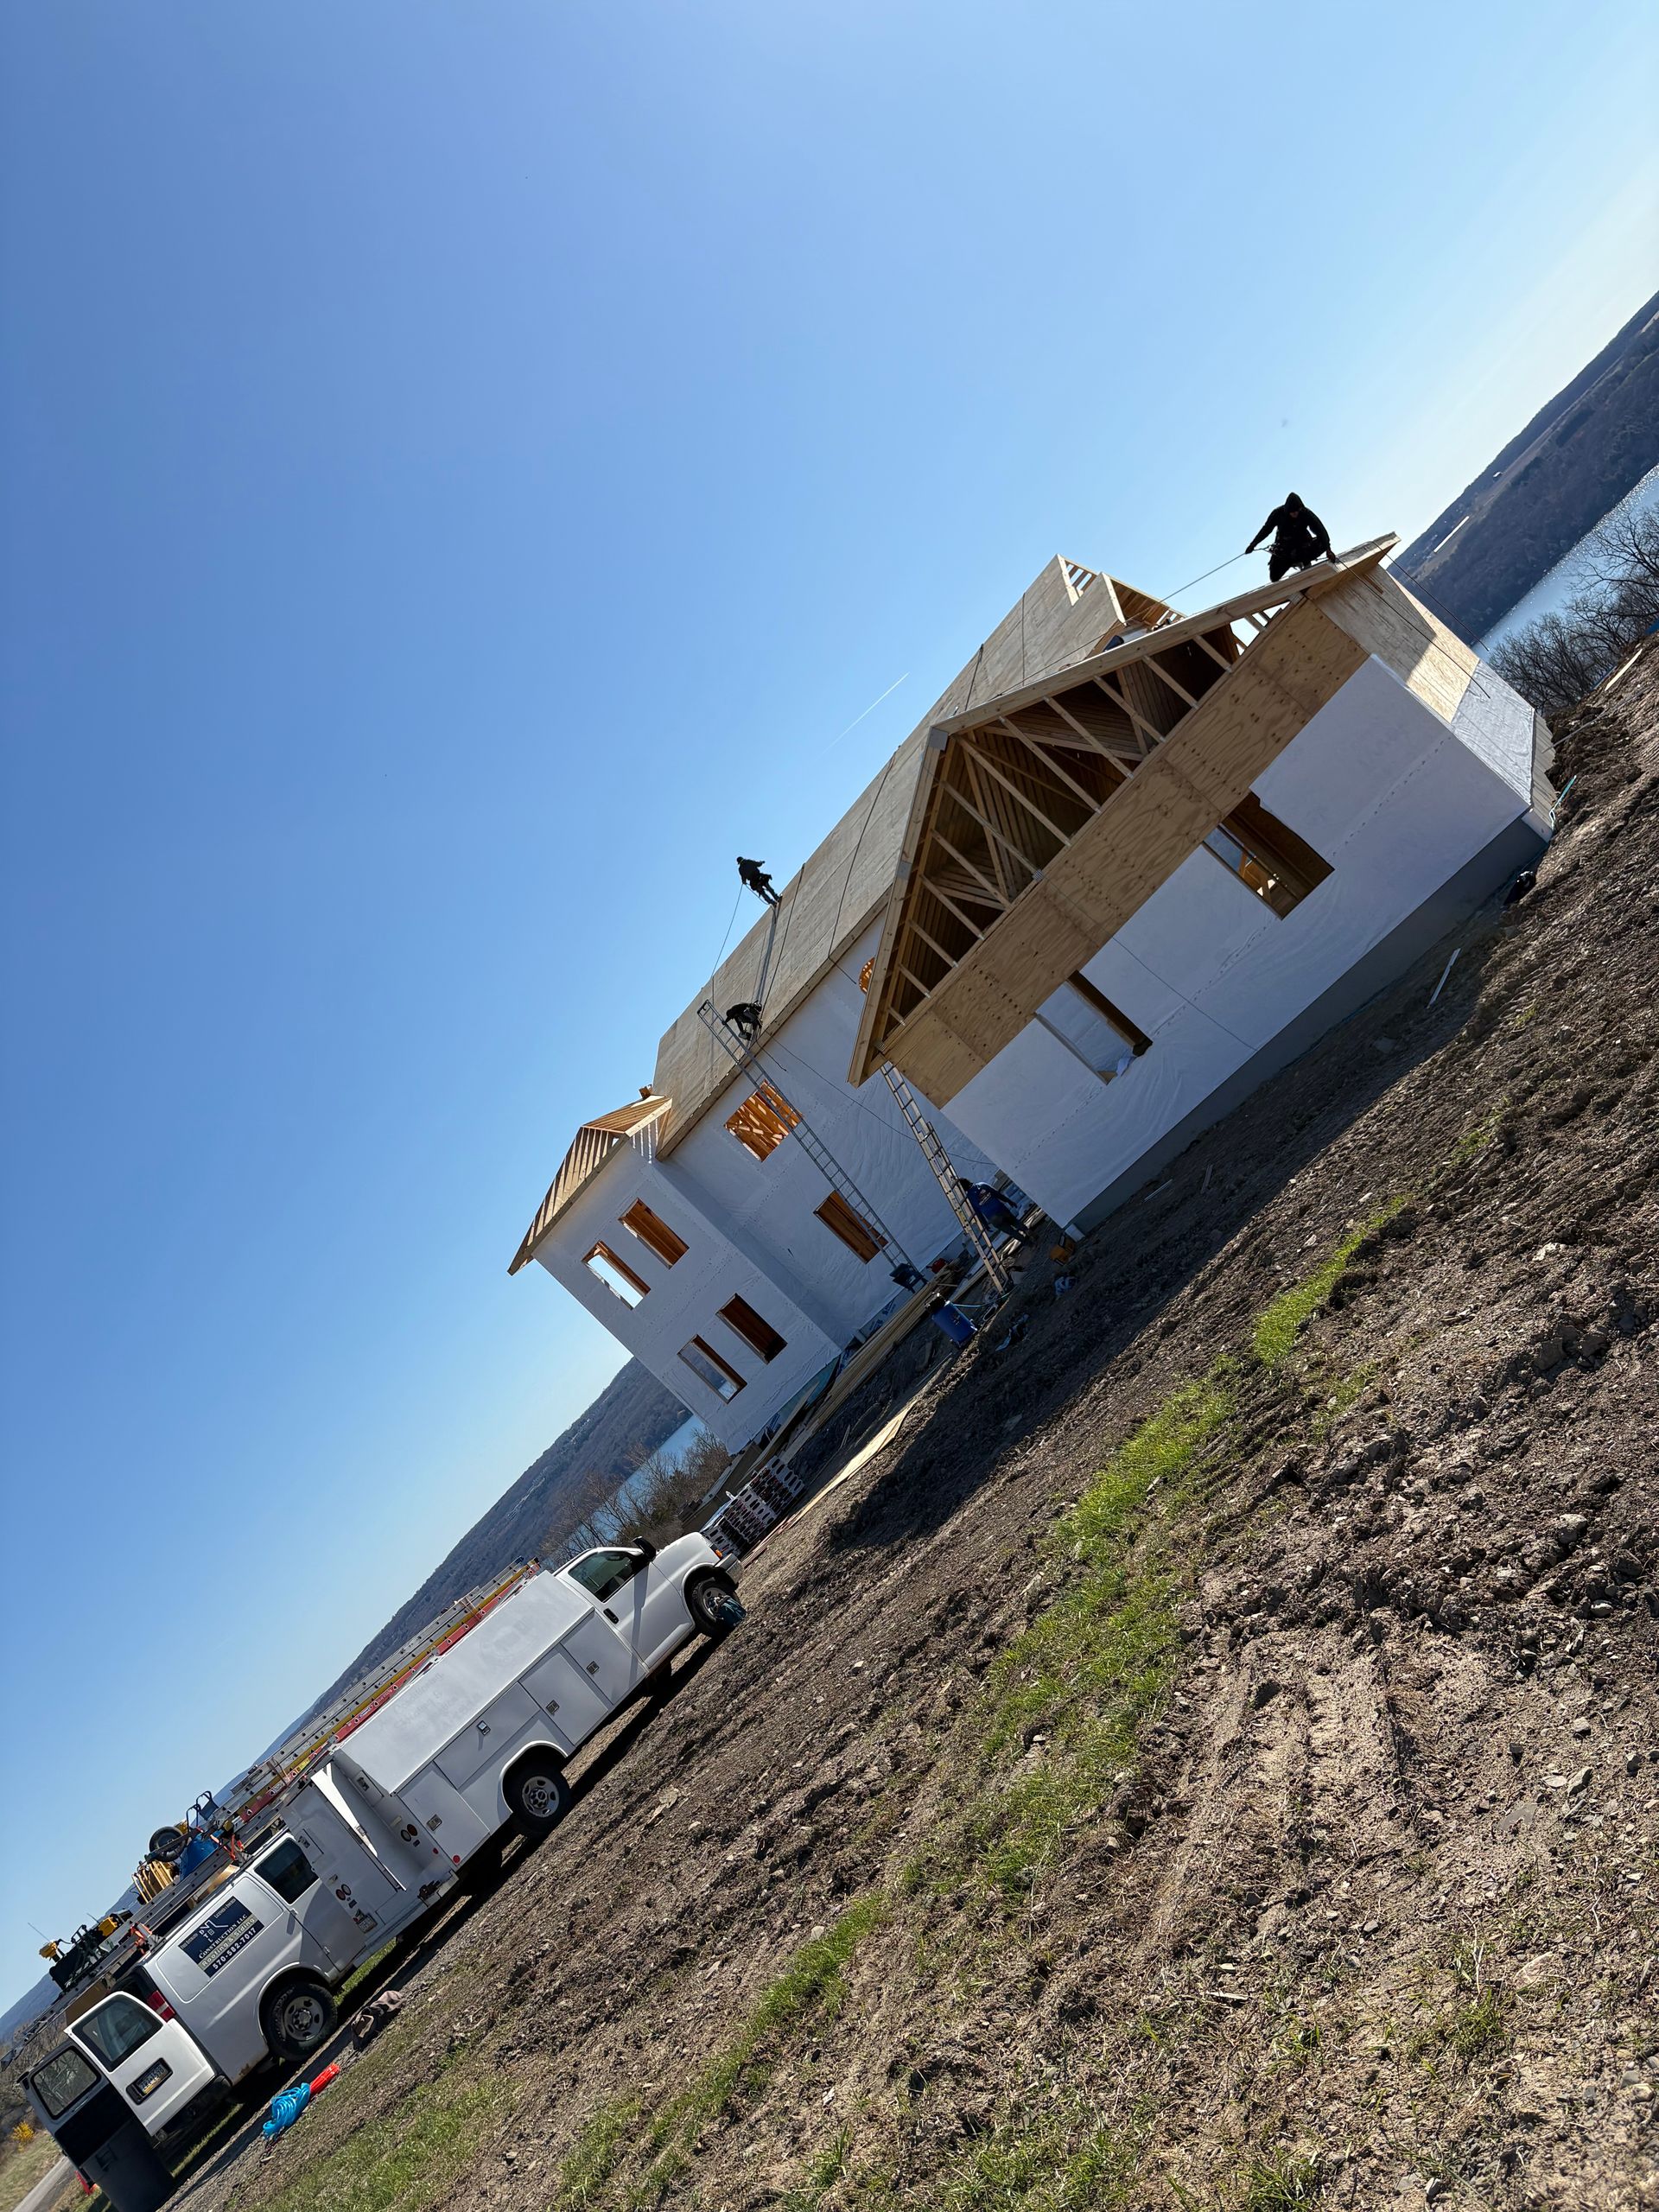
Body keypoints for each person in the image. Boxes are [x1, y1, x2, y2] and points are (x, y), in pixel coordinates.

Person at [1247, 494, 1334, 582]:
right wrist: (1253, 544)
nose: (1296, 514)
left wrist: (1328, 549)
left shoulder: (1305, 513)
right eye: (1293, 512)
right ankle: (1295, 562)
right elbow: (1266, 529)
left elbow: (1321, 530)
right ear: (1288, 511)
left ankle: (1305, 562)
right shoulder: (1278, 513)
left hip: (1303, 546)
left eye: (1297, 511)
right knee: (1274, 577)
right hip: (1285, 550)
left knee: (1322, 543)